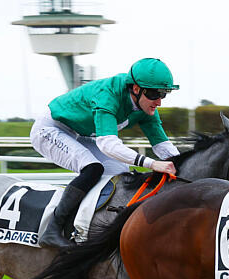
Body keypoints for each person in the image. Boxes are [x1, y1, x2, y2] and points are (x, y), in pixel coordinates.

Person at [31, 58, 180, 248]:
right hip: (50, 130)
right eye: (154, 94)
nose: (158, 101)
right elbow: (108, 144)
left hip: (79, 133)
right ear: (136, 89)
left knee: (121, 173)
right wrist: (152, 164)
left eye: (163, 94)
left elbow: (163, 146)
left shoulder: (146, 107)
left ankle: (97, 225)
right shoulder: (108, 94)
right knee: (93, 168)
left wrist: (183, 165)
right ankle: (52, 230)